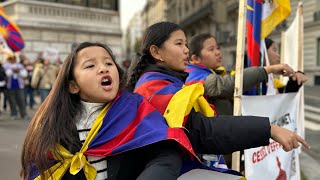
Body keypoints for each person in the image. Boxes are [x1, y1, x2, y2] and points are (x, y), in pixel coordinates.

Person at [126, 22, 310, 167]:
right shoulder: (157, 87)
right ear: (156, 52)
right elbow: (203, 129)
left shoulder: (170, 80)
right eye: (179, 44)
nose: (186, 50)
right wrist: (268, 129)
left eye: (186, 44)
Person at [21, 42, 200, 180]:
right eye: (90, 66)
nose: (103, 68)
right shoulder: (53, 125)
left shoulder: (136, 109)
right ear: (73, 85)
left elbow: (165, 154)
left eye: (109, 63)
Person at [186, 33, 301, 115]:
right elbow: (226, 85)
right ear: (195, 58)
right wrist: (268, 70)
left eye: (218, 47)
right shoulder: (194, 76)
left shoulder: (216, 72)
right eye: (211, 49)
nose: (217, 52)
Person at [3, 55, 28, 120]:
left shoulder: (20, 66)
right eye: (11, 59)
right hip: (10, 86)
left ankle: (23, 114)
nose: (13, 60)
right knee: (12, 101)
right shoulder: (6, 66)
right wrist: (12, 70)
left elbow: (25, 74)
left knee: (21, 100)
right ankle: (14, 114)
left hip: (19, 86)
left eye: (14, 59)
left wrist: (18, 71)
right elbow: (6, 74)